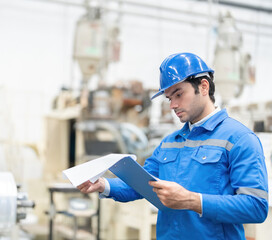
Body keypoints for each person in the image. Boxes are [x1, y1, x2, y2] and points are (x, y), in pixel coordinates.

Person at [77, 52, 269, 239]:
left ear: (203, 87)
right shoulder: (169, 143)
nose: (173, 105)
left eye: (178, 94)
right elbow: (143, 185)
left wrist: (192, 201)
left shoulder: (240, 139)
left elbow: (256, 207)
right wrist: (102, 184)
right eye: (169, 98)